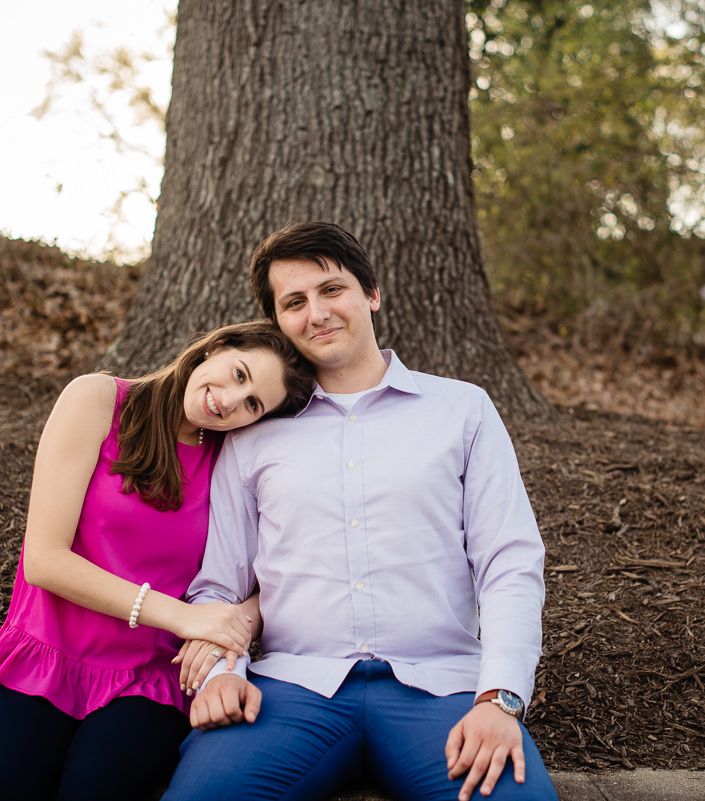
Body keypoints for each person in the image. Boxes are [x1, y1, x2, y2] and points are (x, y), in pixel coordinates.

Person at [163, 222, 558, 801]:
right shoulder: (251, 435)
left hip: (442, 690)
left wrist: (499, 699)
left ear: (371, 293)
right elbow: (219, 584)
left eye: (331, 290)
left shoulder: (463, 410)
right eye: (294, 302)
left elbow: (510, 563)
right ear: (279, 323)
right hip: (291, 691)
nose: (317, 313)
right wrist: (222, 674)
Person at [0, 320, 315, 801]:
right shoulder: (97, 401)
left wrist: (236, 625)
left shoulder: (232, 462)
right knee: (1, 786)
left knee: (93, 790)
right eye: (237, 373)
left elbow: (275, 568)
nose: (231, 400)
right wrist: (185, 617)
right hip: (47, 656)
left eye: (253, 403)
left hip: (151, 679)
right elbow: (44, 560)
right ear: (215, 348)